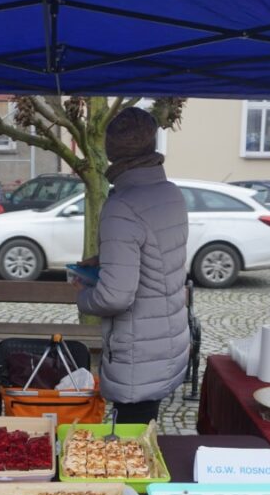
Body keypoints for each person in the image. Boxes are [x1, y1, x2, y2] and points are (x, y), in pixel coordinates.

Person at [74, 107, 189, 425]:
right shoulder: (171, 194)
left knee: (132, 449)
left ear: (111, 152)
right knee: (144, 430)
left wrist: (83, 295)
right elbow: (159, 260)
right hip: (167, 338)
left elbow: (114, 297)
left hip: (138, 349)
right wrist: (109, 261)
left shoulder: (122, 207)